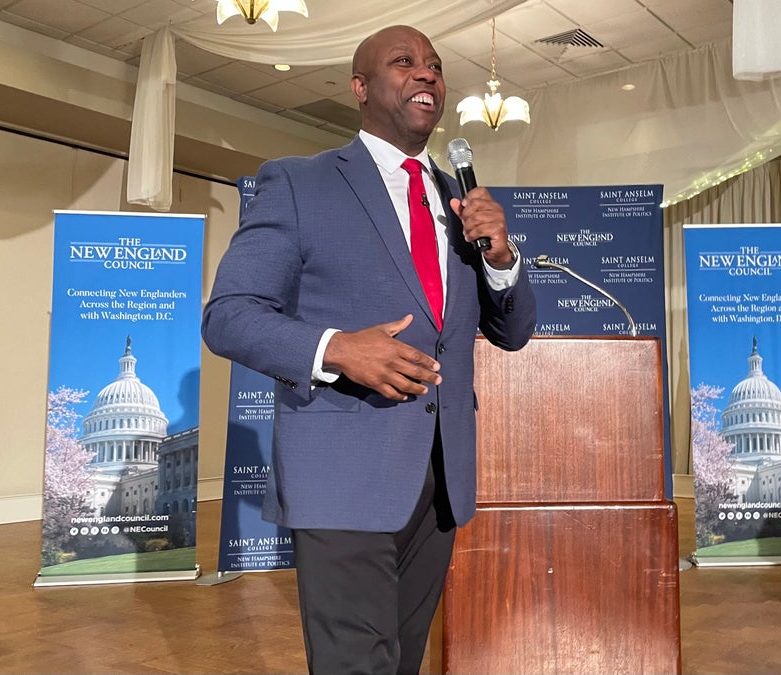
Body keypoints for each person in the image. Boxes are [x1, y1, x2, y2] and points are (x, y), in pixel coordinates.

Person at [202, 24, 537, 675]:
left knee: (401, 662)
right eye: (404, 62)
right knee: (356, 664)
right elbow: (229, 316)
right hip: (340, 476)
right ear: (360, 87)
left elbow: (514, 330)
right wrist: (336, 348)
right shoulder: (300, 185)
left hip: (439, 481)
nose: (427, 74)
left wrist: (502, 255)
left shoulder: (460, 200)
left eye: (436, 66)